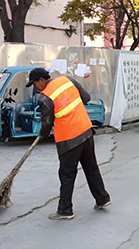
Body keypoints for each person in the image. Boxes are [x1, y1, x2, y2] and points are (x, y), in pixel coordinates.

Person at [25, 68, 111, 220]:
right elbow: (86, 98)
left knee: (66, 174)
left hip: (69, 139)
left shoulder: (45, 98)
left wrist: (42, 135)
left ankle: (65, 210)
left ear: (41, 80)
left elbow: (46, 123)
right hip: (86, 132)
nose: (35, 88)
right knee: (91, 168)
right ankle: (103, 198)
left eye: (34, 84)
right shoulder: (68, 80)